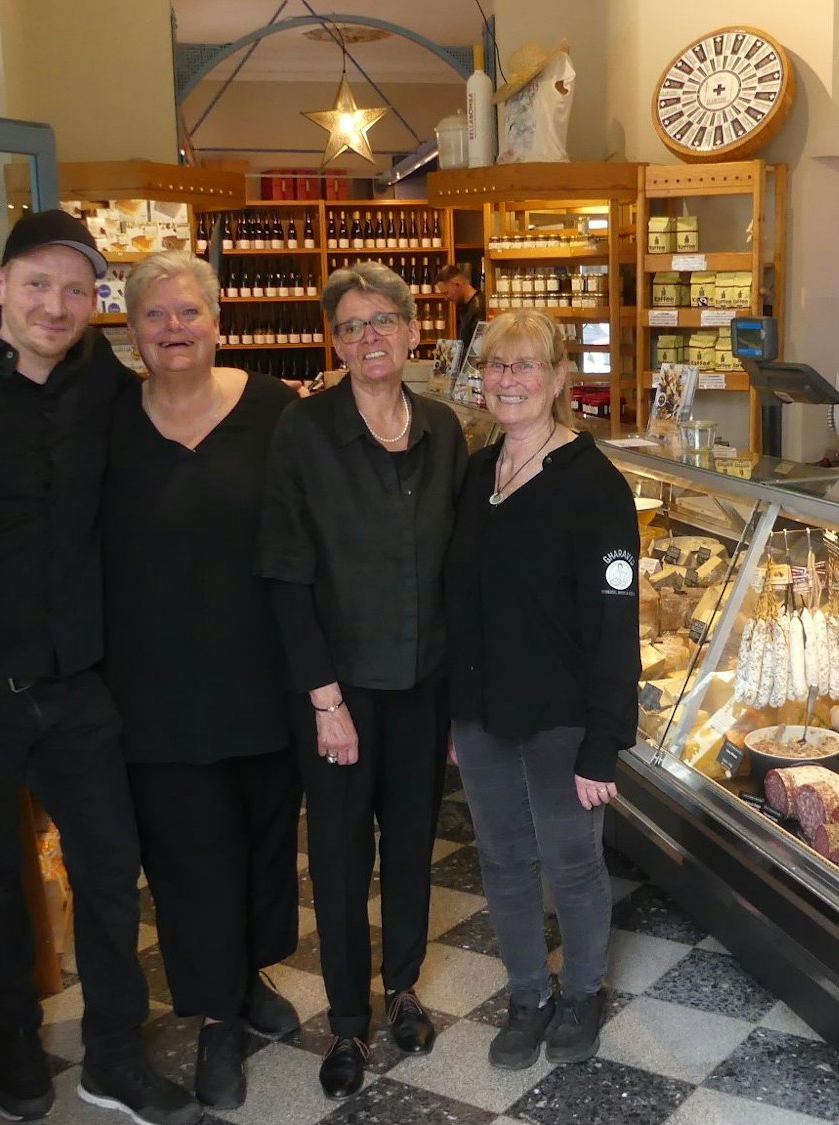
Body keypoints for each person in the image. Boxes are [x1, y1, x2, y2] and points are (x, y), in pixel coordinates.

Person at [0, 212, 200, 1125]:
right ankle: (13, 1053)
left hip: (81, 683)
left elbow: (187, 404)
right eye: (37, 284)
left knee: (112, 875)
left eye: (77, 290)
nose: (56, 304)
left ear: (96, 304)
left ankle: (113, 1054)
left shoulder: (105, 387)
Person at [257, 261, 467, 1099]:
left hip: (425, 682)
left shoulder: (446, 430)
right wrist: (323, 700)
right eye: (351, 326)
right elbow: (285, 575)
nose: (369, 337)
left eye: (383, 321)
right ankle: (348, 1020)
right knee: (342, 857)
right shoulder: (304, 432)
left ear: (415, 332)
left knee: (413, 843)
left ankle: (404, 987)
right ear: (334, 342)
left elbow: (459, 567)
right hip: (341, 692)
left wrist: (461, 692)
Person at [102, 251, 302, 1111]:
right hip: (155, 689)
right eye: (156, 315)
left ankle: (250, 976)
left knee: (263, 842)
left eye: (189, 312)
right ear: (133, 329)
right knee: (189, 858)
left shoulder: (275, 412)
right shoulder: (109, 419)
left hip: (263, 678)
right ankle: (217, 1018)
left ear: (217, 320)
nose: (174, 329)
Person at [444, 309, 639, 1069]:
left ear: (560, 377)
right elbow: (458, 599)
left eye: (526, 366)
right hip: (483, 710)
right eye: (497, 365)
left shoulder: (595, 486)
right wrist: (452, 717)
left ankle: (583, 991)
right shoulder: (475, 472)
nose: (509, 380)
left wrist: (604, 744)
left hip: (561, 716)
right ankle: (528, 993)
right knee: (502, 857)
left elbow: (615, 627)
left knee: (572, 860)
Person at [436, 263, 487, 351]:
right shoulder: (467, 306)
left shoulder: (478, 309)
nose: (445, 298)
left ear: (457, 285)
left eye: (446, 293)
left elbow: (477, 350)